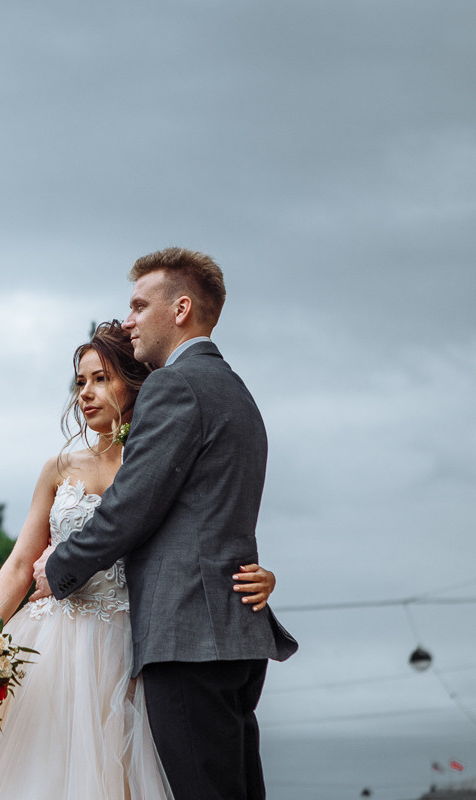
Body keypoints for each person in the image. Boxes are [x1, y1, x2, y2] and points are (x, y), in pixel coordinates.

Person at [0, 318, 276, 800]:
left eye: (102, 378)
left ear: (134, 381)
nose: (86, 393)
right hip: (48, 646)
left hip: (128, 649)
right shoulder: (59, 468)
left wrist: (258, 575)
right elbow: (21, 562)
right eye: (80, 382)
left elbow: (201, 534)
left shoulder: (155, 464)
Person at [33, 247, 298, 800]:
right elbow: (210, 511)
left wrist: (58, 566)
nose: (127, 320)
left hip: (187, 637)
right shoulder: (237, 392)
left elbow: (131, 506)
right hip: (233, 633)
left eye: (138, 305)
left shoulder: (175, 386)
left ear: (180, 309)